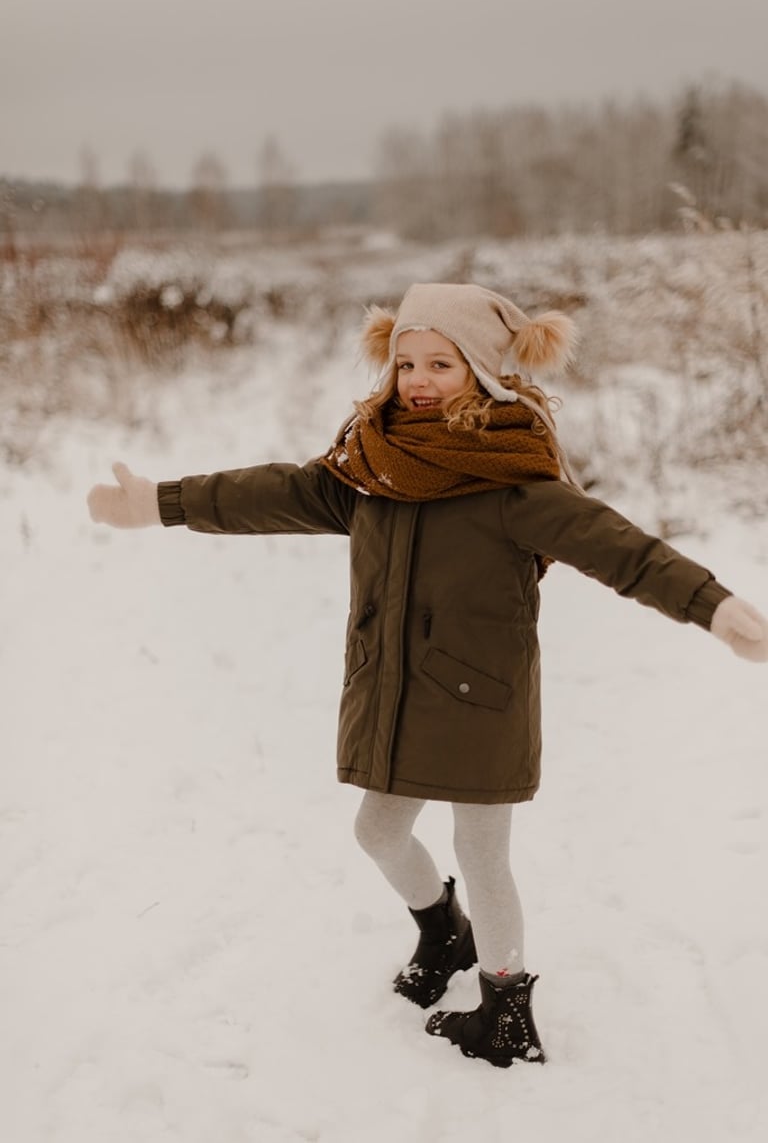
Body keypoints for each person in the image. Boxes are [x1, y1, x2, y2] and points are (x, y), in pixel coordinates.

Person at [87, 282, 768, 1069]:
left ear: (481, 370)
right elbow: (269, 493)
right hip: (397, 693)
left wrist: (713, 605)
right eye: (406, 361)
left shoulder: (513, 482)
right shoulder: (371, 466)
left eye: (440, 363)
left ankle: (506, 1012)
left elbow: (622, 548)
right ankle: (444, 932)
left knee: (482, 856)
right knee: (377, 831)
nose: (417, 378)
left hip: (480, 698)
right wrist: (161, 501)